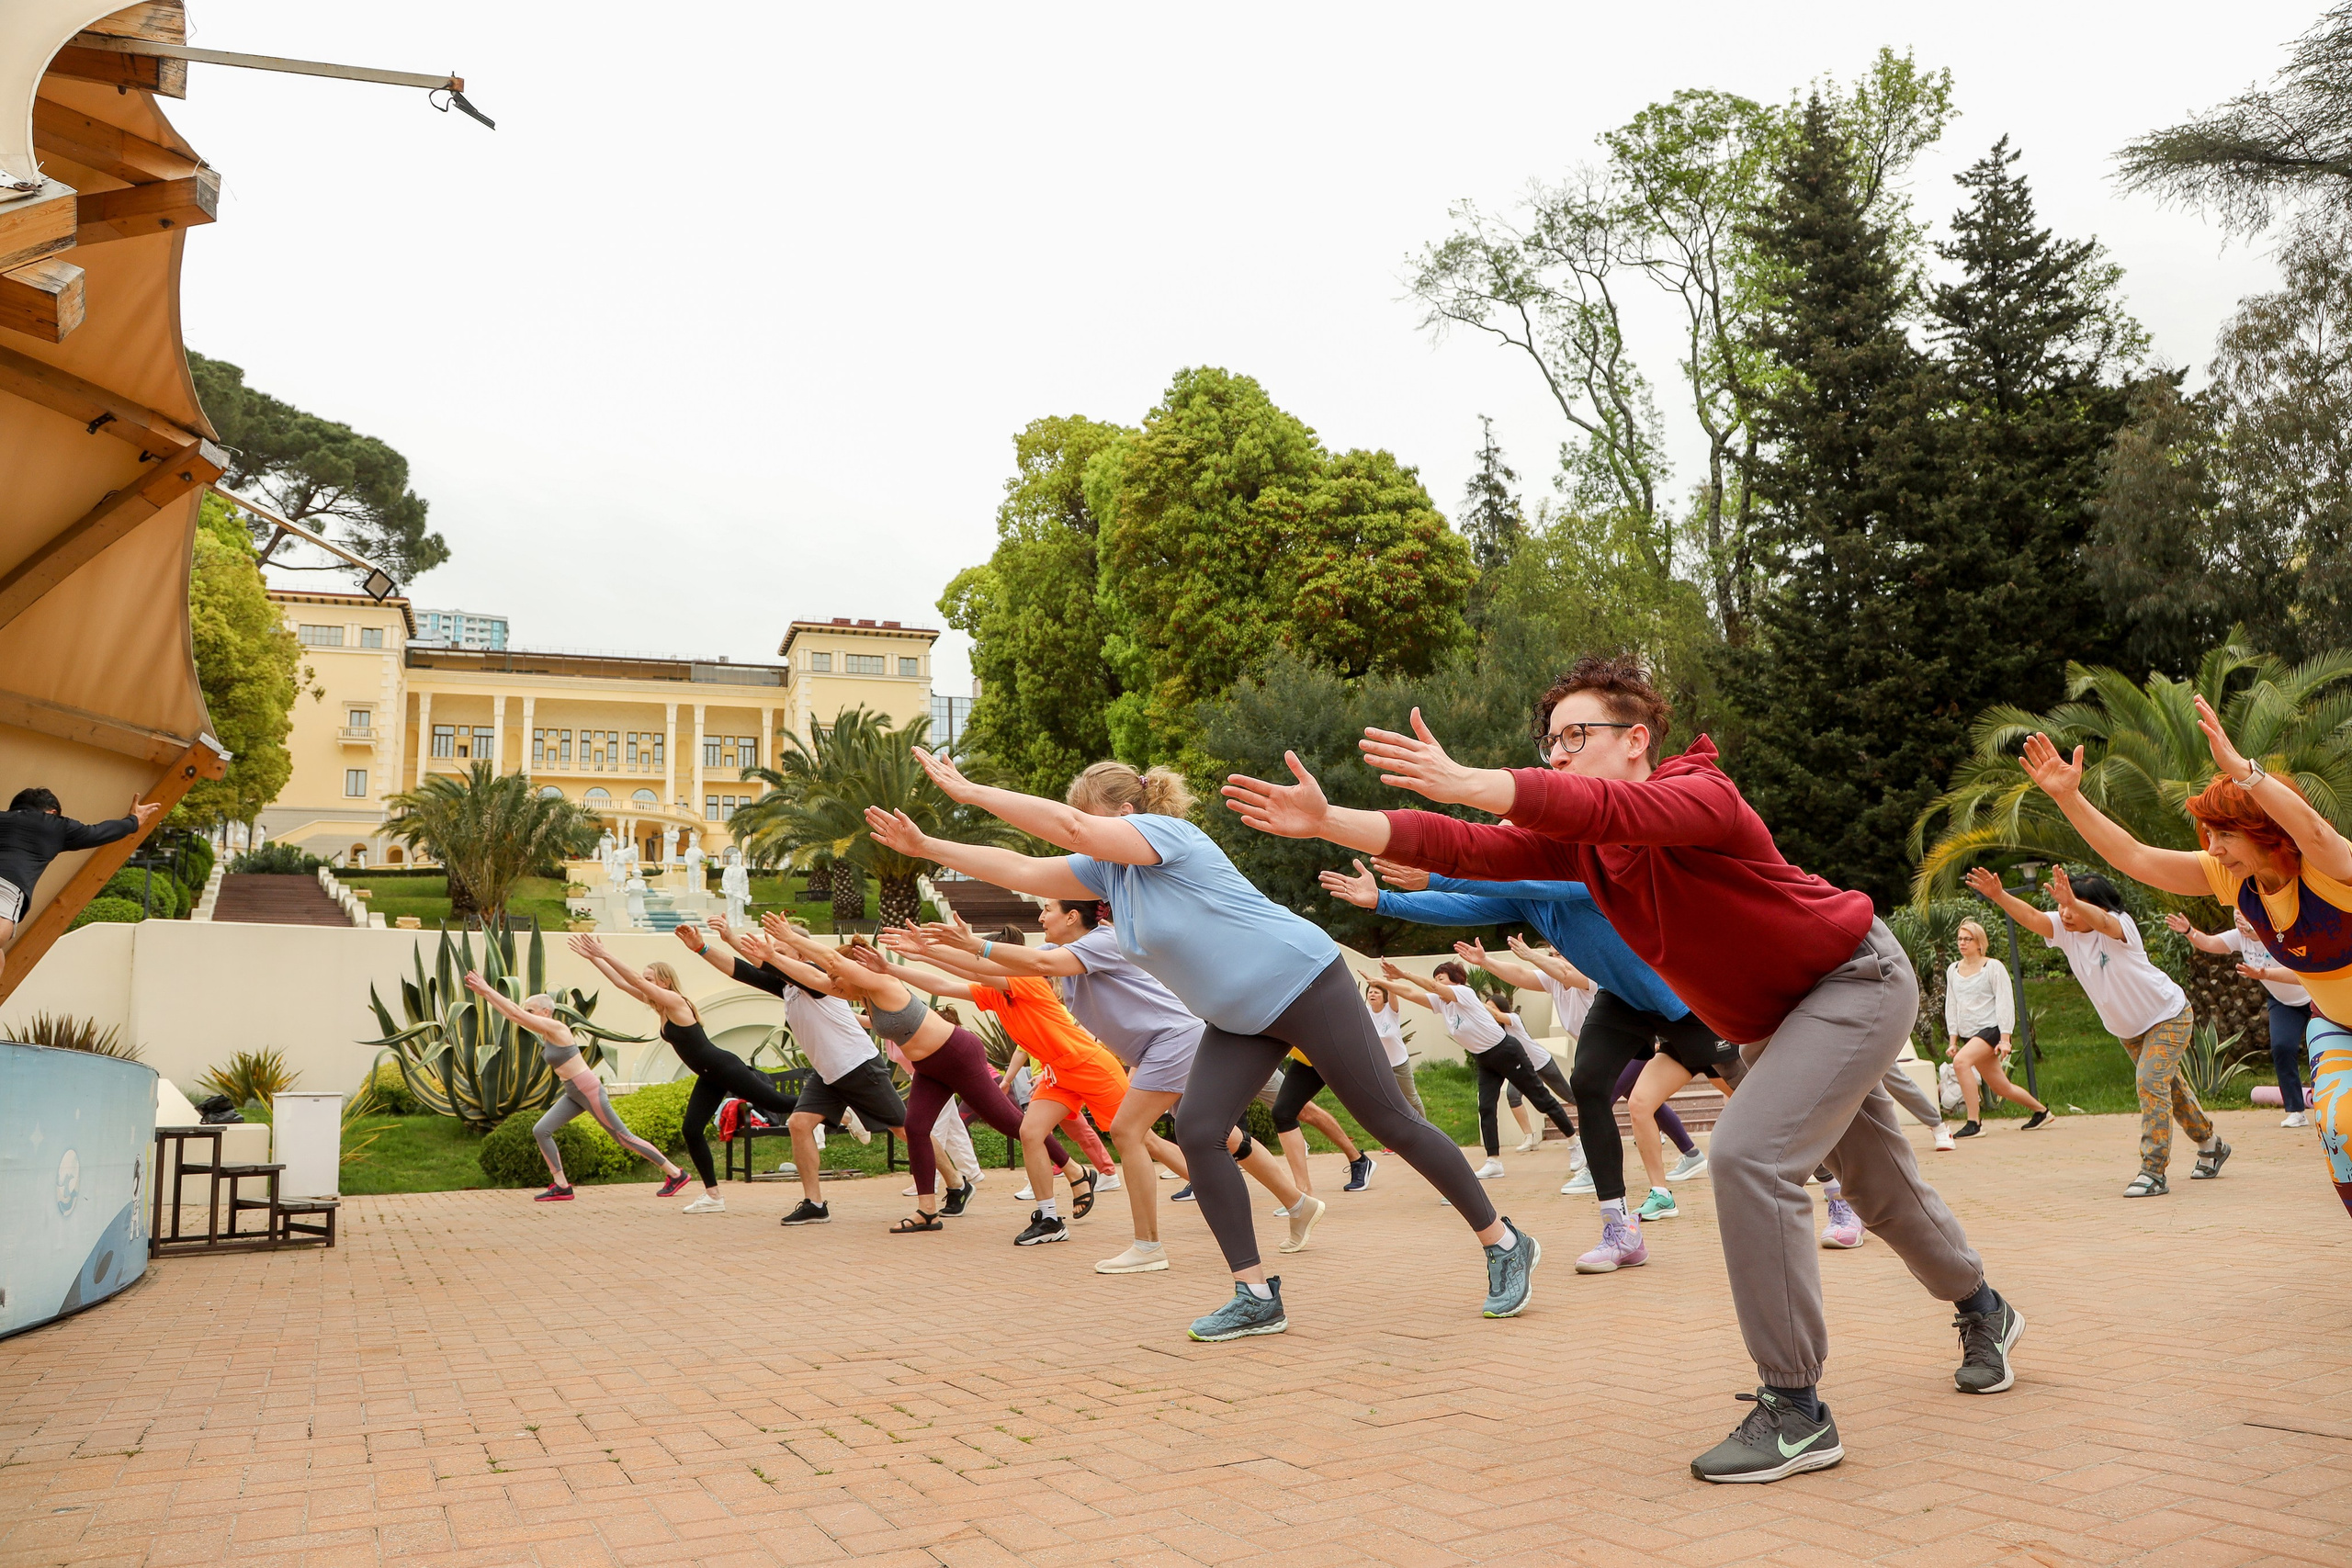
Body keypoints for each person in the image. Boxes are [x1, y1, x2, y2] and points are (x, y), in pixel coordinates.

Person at [1224, 653, 2018, 1483]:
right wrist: (1329, 820)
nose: (1558, 754)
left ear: (1637, 739)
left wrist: (1472, 780)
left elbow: (1585, 803)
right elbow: (1463, 845)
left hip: (1853, 979)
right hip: (1777, 1023)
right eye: (1550, 740)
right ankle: (1984, 1308)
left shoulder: (1703, 793)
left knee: (1749, 1154)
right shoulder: (1585, 855)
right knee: (1881, 1189)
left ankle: (1795, 1409)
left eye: (1577, 735)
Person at [866, 754, 1539, 1341]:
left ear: (1126, 812)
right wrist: (928, 846)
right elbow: (1022, 863)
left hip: (1303, 982)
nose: (1082, 834)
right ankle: (1253, 1295)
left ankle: (1505, 1242)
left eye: (1091, 818)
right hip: (1239, 1018)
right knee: (1198, 1127)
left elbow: (1069, 832)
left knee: (1390, 1119)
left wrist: (974, 793)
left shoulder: (1168, 836)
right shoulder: (1110, 880)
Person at [2012, 705, 2343, 1211]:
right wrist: (2070, 799)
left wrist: (2244, 773)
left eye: (2225, 834)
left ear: (2268, 830)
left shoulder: (2329, 868)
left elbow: (2315, 832)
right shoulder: (2234, 878)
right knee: (2341, 1128)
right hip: (2337, 1025)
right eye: (2208, 835)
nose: (2214, 848)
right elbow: (2135, 857)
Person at [899, 901, 1323, 1272]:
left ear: (1072, 915)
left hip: (1168, 1042)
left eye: (1047, 909)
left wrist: (966, 945)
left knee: (1129, 1132)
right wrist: (925, 954)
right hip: (1149, 1050)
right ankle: (1298, 1203)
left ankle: (1148, 1245)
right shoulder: (1055, 952)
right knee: (1220, 1135)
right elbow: (984, 970)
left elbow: (1014, 965)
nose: (1040, 915)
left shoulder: (1102, 941)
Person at [1319, 859, 1718, 1250]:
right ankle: (1620, 1230)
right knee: (1588, 1085)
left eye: (1508, 831)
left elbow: (1534, 885)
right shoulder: (1521, 897)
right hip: (1621, 1000)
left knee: (1736, 1083)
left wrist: (1438, 875)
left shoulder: (1577, 866)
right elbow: (1460, 907)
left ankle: (1761, 1165)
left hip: (1684, 998)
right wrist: (1383, 901)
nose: (1500, 838)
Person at [756, 917, 1075, 1235]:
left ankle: (1074, 1171)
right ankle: (927, 1211)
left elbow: (830, 960)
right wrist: (771, 958)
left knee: (1009, 1123)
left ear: (857, 972)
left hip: (956, 1055)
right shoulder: (860, 994)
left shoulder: (881, 984)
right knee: (916, 1128)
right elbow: (813, 976)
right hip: (930, 1066)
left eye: (838, 977)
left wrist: (790, 938)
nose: (833, 983)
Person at [1965, 865, 2217, 1193]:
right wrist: (1999, 895)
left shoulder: (2121, 926)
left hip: (2168, 1016)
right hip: (2128, 1030)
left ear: (2099, 906)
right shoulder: (2065, 929)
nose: (2064, 914)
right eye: (2061, 906)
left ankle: (2153, 1171)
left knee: (2150, 1081)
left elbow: (2103, 922)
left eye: (2072, 906)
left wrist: (2073, 901)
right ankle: (2211, 1144)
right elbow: (2031, 917)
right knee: (2169, 1090)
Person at [675, 917, 911, 1224]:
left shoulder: (816, 979)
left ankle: (956, 1182)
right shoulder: (788, 987)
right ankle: (815, 1203)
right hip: (828, 1075)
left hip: (859, 1067)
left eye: (783, 951)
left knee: (904, 1129)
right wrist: (703, 947)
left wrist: (741, 945)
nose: (774, 955)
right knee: (799, 1123)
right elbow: (745, 970)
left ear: (801, 956)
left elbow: (765, 963)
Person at [571, 935, 814, 1215]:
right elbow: (622, 983)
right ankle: (713, 1196)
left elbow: (635, 982)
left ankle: (839, 1109)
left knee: (777, 1103)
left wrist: (605, 952)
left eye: (651, 978)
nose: (644, 981)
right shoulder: (659, 1006)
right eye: (645, 978)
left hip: (723, 1067)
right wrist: (594, 958)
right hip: (709, 1074)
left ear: (664, 982)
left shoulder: (674, 1001)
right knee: (691, 1129)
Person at [462, 969, 691, 1201]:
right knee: (541, 1130)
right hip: (573, 1092)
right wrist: (484, 994)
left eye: (530, 1011)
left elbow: (514, 1013)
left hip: (587, 1089)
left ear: (545, 1012)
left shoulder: (558, 1029)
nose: (526, 1014)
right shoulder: (546, 1030)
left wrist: (486, 989)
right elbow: (513, 1015)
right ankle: (561, 1185)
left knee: (623, 1138)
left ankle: (675, 1173)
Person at [1376, 961, 1579, 1179]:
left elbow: (1431, 988)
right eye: (1435, 979)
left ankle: (1575, 1143)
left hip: (1506, 1052)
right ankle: (1494, 1161)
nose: (1436, 983)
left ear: (1455, 981)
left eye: (1441, 978)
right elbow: (1410, 993)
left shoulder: (1464, 993)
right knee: (1486, 1108)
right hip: (1484, 1059)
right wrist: (1382, 982)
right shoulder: (1442, 1003)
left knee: (1541, 1099)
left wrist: (1403, 973)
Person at [2166, 909, 2317, 1128]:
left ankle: (2329, 1104)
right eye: (2236, 912)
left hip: (2313, 998)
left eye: (2244, 912)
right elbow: (2209, 943)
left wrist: (2263, 970)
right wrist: (2189, 931)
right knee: (2282, 1047)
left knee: (2320, 1050)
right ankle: (2296, 1110)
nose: (2238, 917)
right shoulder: (2239, 937)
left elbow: (2299, 969)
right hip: (2283, 1002)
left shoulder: (2278, 936)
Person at [0, 789, 161, 987]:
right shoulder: (54, 825)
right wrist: (133, 821)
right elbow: (97, 832)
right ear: (51, 812)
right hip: (6, 890)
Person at [1939, 919, 2047, 1137]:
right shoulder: (1953, 970)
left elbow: (2005, 1003)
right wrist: (1953, 1040)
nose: (1962, 943)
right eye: (1960, 939)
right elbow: (1951, 1004)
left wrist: (2005, 1039)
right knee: (2001, 1087)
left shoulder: (1993, 967)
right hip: (1970, 1035)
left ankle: (1974, 1122)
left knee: (1961, 1063)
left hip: (1991, 1030)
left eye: (1967, 939)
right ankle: (2042, 1111)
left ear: (1979, 943)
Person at [1363, 981, 1426, 1119]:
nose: (1372, 994)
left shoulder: (1390, 1010)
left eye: (1376, 992)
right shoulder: (1365, 1013)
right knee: (1387, 1101)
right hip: (1380, 1066)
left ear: (1384, 996)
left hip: (1399, 1064)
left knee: (1411, 1099)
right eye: (1370, 992)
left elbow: (1393, 994)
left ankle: (1426, 1128)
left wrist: (1389, 980)